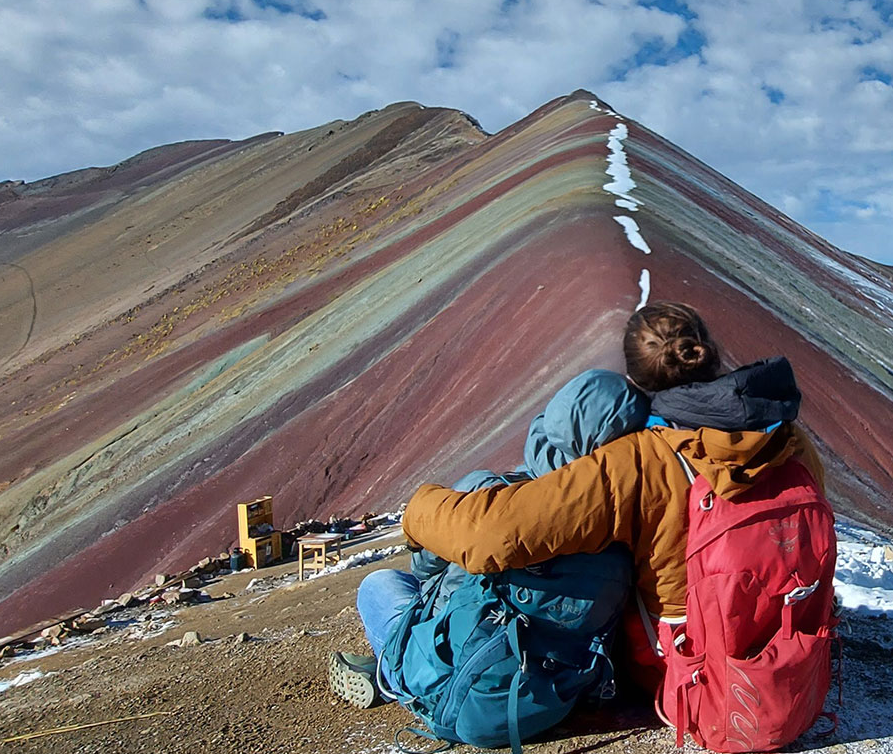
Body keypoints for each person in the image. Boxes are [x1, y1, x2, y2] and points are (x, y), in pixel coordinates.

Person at [400, 301, 826, 694]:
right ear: (709, 352)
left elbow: (491, 535)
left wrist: (416, 511)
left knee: (386, 589)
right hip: (787, 649)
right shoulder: (790, 441)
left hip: (687, 674)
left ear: (635, 380)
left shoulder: (640, 459)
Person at [328, 367, 649, 709]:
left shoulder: (485, 495)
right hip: (562, 687)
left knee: (381, 583)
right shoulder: (625, 517)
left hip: (464, 677)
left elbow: (425, 570)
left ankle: (393, 677)